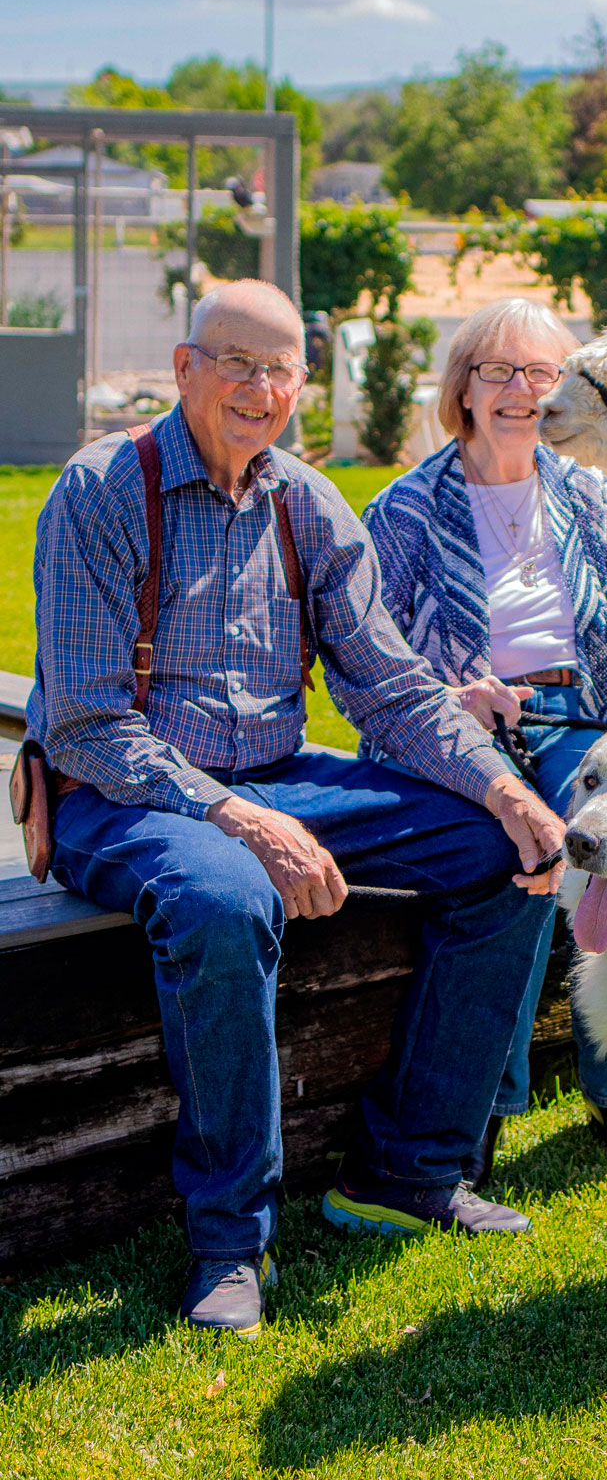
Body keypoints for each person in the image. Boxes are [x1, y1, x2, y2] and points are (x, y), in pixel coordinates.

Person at [26, 279, 567, 1341]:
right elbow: (87, 723)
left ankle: (409, 1169)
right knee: (228, 901)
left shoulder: (305, 502)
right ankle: (229, 1239)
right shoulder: (101, 491)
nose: (258, 388)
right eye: (236, 362)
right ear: (184, 367)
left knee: (500, 849)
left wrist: (508, 788)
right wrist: (241, 820)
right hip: (120, 791)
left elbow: (392, 687)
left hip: (275, 773)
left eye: (279, 369)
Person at [360, 298, 607, 1182]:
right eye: (498, 372)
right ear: (462, 388)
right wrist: (450, 693)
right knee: (513, 854)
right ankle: (481, 1106)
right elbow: (365, 658)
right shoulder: (404, 508)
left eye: (542, 374)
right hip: (453, 731)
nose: (521, 391)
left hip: (576, 719)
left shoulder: (583, 491)